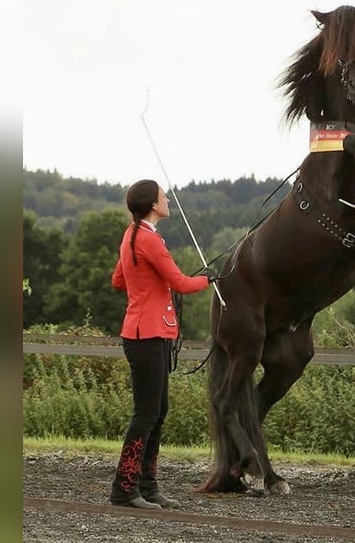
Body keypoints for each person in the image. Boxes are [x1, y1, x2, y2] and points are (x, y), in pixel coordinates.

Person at [109, 179, 217, 510]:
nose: (167, 200)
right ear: (154, 205)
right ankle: (124, 489)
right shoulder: (150, 241)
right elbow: (181, 284)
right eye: (162, 197)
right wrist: (209, 278)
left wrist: (145, 284)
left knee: (158, 410)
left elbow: (118, 280)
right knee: (146, 413)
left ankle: (147, 485)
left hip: (145, 333)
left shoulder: (131, 236)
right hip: (148, 336)